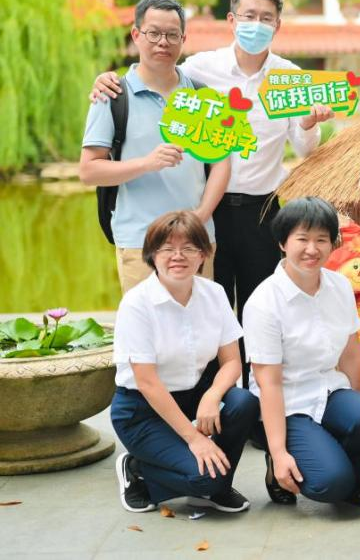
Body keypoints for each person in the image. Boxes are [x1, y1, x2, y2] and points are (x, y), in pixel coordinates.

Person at [92, 0, 333, 387]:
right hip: (208, 209)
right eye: (249, 16)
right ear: (232, 20)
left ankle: (257, 397)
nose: (257, 24)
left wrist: (309, 124)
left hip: (263, 210)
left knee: (261, 308)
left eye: (266, 18)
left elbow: (304, 148)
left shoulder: (290, 78)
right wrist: (105, 80)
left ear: (278, 25)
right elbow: (156, 74)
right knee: (207, 309)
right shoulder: (201, 69)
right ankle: (215, 395)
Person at [243, 197, 360, 506]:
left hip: (328, 390)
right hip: (288, 402)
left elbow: (350, 354)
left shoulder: (339, 286)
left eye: (321, 239)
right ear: (282, 242)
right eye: (302, 239)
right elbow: (269, 384)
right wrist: (279, 453)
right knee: (330, 484)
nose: (312, 249)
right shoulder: (264, 303)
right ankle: (281, 461)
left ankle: (354, 479)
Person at [110, 210, 259, 514]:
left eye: (189, 248)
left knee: (243, 403)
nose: (178, 256)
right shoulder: (136, 304)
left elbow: (232, 361)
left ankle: (216, 482)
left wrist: (212, 395)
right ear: (152, 255)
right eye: (167, 248)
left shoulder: (214, 293)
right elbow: (147, 382)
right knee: (205, 479)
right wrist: (194, 439)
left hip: (194, 396)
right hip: (143, 410)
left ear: (203, 254)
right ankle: (138, 470)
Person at [80, 0, 230, 293]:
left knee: (200, 321)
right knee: (146, 322)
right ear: (136, 35)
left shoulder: (203, 98)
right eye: (153, 33)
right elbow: (88, 171)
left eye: (172, 35)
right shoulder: (112, 96)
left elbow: (221, 164)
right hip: (140, 242)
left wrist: (200, 217)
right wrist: (147, 163)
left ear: (183, 39)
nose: (163, 42)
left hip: (196, 241)